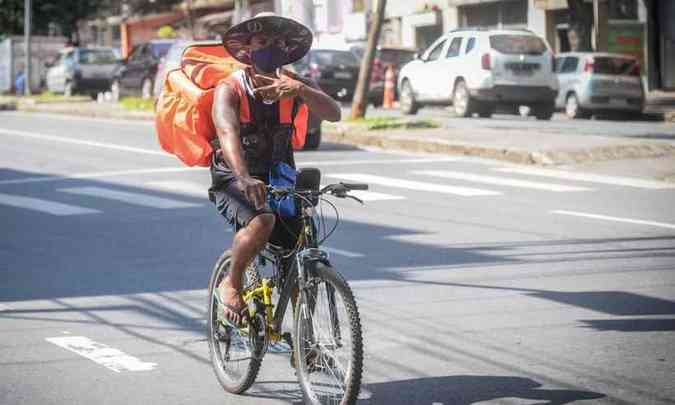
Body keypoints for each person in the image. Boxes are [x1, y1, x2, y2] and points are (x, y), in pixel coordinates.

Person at [211, 13, 341, 325]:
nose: (272, 48)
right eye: (263, 42)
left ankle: (304, 342)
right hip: (235, 172)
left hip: (280, 174)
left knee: (300, 254)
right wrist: (243, 177)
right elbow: (228, 134)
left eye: (279, 43)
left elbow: (333, 113)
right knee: (263, 220)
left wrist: (300, 91)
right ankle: (232, 282)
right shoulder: (229, 88)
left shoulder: (295, 84)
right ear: (247, 49)